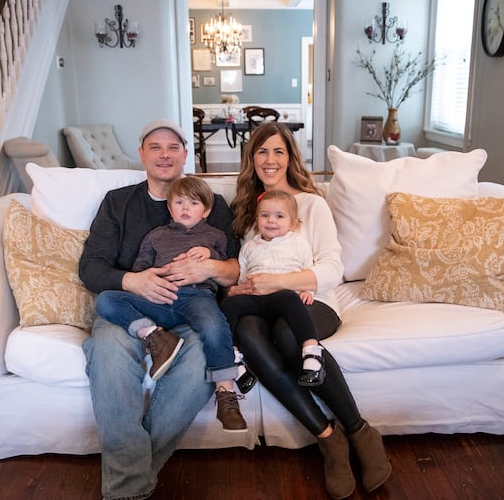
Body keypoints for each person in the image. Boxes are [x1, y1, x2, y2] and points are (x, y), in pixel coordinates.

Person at [223, 122, 392, 499]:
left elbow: (334, 268)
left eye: (278, 151)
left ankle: (359, 430)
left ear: (290, 157)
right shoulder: (247, 210)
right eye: (262, 151)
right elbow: (244, 264)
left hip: (311, 302)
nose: (270, 159)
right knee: (249, 335)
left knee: (286, 335)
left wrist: (282, 283)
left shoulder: (311, 205)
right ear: (251, 158)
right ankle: (327, 437)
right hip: (260, 302)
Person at [79, 120, 241, 499]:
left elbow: (236, 268)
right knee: (106, 352)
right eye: (155, 146)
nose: (164, 154)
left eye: (173, 147)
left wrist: (210, 268)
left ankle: (126, 486)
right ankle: (132, 486)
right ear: (142, 154)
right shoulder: (119, 203)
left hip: (189, 311)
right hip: (131, 311)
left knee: (204, 356)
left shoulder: (212, 204)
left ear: (185, 154)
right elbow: (90, 267)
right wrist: (133, 281)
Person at [94, 175, 247, 432]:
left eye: (194, 203)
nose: (186, 208)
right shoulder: (155, 236)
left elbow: (227, 267)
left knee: (214, 325)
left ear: (207, 210)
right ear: (169, 207)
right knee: (106, 300)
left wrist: (209, 256)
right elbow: (140, 270)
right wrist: (144, 280)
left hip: (197, 298)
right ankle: (155, 335)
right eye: (179, 202)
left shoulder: (215, 236)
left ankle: (225, 392)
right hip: (158, 299)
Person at [221, 189, 327, 387]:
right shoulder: (250, 246)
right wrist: (239, 289)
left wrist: (307, 292)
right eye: (265, 215)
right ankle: (233, 356)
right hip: (255, 297)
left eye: (279, 216)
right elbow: (244, 274)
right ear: (257, 219)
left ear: (293, 223)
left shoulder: (298, 244)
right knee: (229, 305)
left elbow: (307, 270)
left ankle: (311, 350)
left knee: (289, 297)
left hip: (282, 296)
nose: (271, 221)